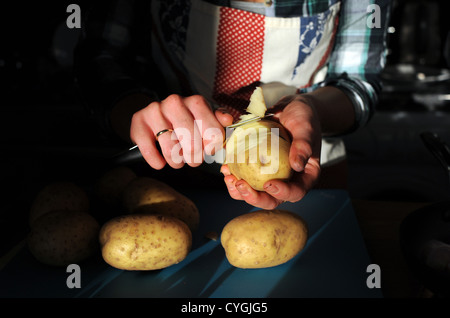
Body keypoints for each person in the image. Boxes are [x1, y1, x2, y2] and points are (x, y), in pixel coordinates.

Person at [74, 0, 391, 209]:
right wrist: (136, 113)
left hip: (311, 174)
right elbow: (100, 58)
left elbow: (359, 82)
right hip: (172, 183)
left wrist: (312, 110)